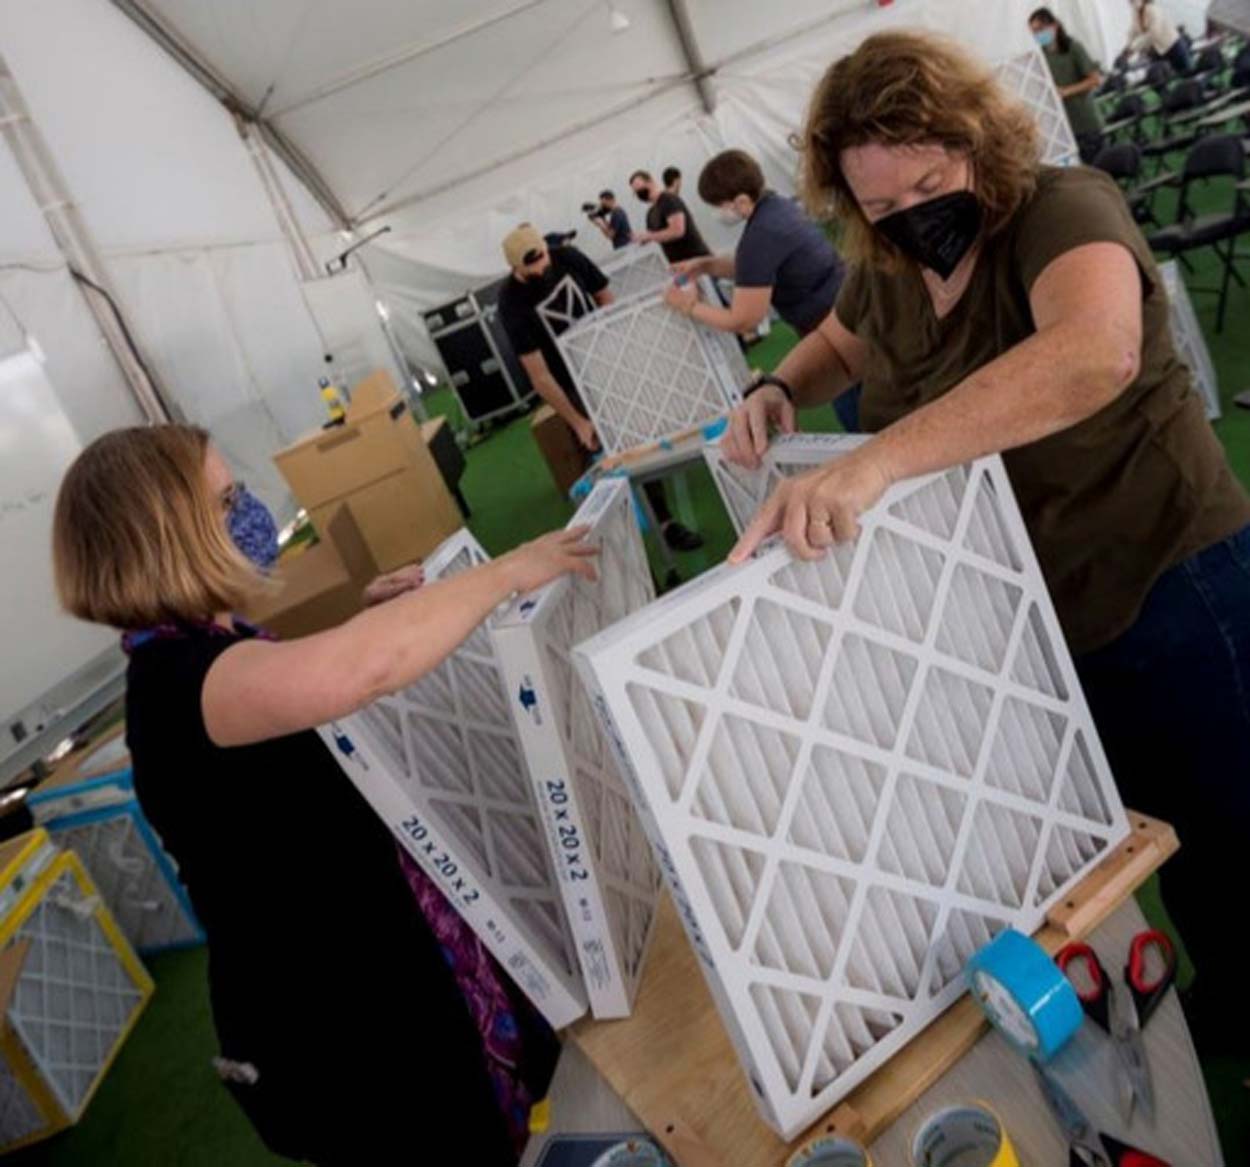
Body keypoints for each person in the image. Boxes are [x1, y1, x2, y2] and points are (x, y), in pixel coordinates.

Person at [721, 31, 1250, 1057]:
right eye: (878, 205)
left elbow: (1093, 352)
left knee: (1236, 818)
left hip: (1171, 576)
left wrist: (880, 463)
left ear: (977, 140)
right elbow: (842, 339)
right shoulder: (890, 262)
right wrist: (779, 385)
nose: (913, 214)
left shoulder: (1060, 206)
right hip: (1048, 615)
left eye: (929, 179)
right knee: (1166, 833)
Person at [51, 425, 598, 1166]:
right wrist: (503, 573)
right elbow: (358, 671)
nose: (248, 514)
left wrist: (365, 615)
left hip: (373, 963)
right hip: (337, 1019)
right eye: (225, 503)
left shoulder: (207, 644)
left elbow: (304, 678)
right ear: (166, 540)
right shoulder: (178, 682)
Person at [496, 224, 703, 551]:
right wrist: (577, 421)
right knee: (596, 455)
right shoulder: (510, 304)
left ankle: (665, 523)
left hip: (605, 361)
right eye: (531, 264)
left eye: (542, 256)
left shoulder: (567, 257)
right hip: (569, 381)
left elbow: (607, 300)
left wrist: (618, 356)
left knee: (635, 439)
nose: (541, 266)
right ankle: (614, 545)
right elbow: (539, 374)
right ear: (515, 268)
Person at [661, 149, 859, 431]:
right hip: (849, 310)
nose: (718, 213)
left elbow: (743, 319)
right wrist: (707, 265)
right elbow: (757, 269)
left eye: (719, 206)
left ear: (741, 201)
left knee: (862, 417)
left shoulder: (760, 236)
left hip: (835, 334)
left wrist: (689, 306)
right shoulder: (779, 206)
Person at [1029, 8, 1105, 163]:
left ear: (1054, 26)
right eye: (1034, 31)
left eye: (1040, 29)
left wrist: (1066, 91)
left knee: (1097, 171)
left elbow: (1095, 80)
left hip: (1085, 123)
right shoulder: (1041, 56)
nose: (1038, 35)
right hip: (1062, 128)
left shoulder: (1073, 48)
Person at [629, 168, 712, 264]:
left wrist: (649, 236)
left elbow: (677, 231)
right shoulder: (651, 213)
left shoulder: (668, 200)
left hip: (697, 261)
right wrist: (641, 239)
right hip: (680, 266)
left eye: (640, 188)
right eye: (636, 192)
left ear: (651, 181)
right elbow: (654, 236)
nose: (639, 193)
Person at [1128, 0, 1193, 75]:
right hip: (1159, 52)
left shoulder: (1153, 9)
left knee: (1187, 73)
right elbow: (1133, 31)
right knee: (1163, 78)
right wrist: (1127, 48)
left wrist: (1133, 48)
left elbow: (1154, 33)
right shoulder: (1135, 13)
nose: (1130, 2)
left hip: (1173, 46)